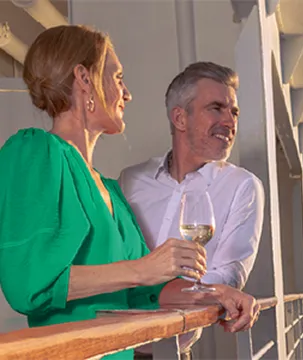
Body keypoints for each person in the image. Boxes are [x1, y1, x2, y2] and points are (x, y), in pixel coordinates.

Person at [0, 25, 259, 360]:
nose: (127, 92)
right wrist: (143, 269)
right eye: (118, 77)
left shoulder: (111, 190)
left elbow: (149, 290)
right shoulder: (35, 152)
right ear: (84, 78)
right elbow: (28, 284)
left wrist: (218, 293)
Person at [119, 61, 265, 358]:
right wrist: (182, 291)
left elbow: (229, 275)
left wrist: (152, 292)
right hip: (111, 348)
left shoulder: (242, 186)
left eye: (234, 111)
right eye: (216, 108)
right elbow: (113, 263)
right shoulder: (130, 180)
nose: (229, 120)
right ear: (180, 118)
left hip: (172, 353)